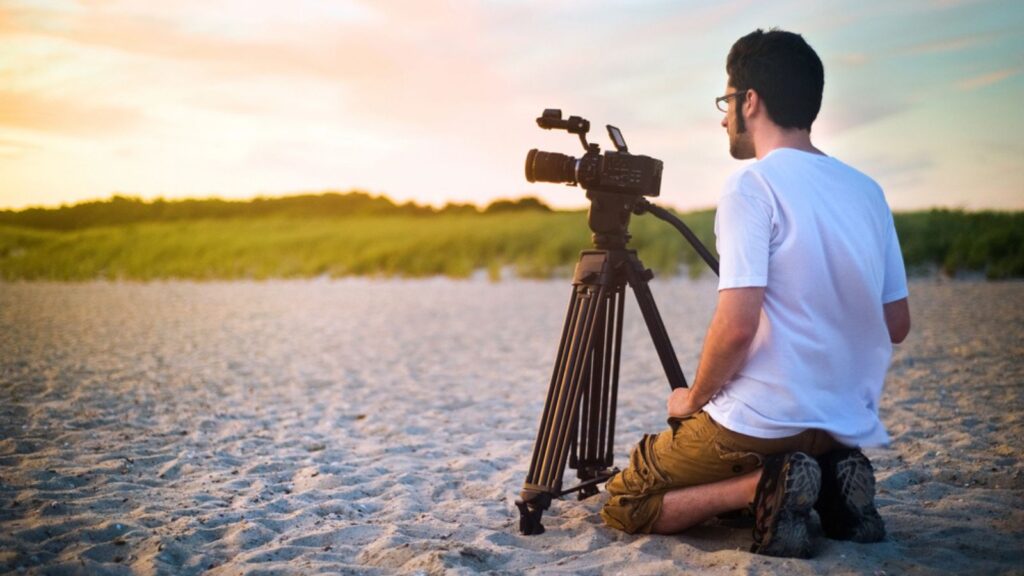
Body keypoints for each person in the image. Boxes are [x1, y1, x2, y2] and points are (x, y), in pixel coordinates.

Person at [599, 28, 911, 558]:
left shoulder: (752, 185)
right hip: (840, 421)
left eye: (726, 103)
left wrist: (692, 399)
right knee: (798, 449)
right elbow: (896, 324)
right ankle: (831, 484)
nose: (723, 119)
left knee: (626, 500)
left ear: (750, 101)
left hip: (762, 422)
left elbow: (737, 326)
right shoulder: (867, 191)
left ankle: (763, 485)